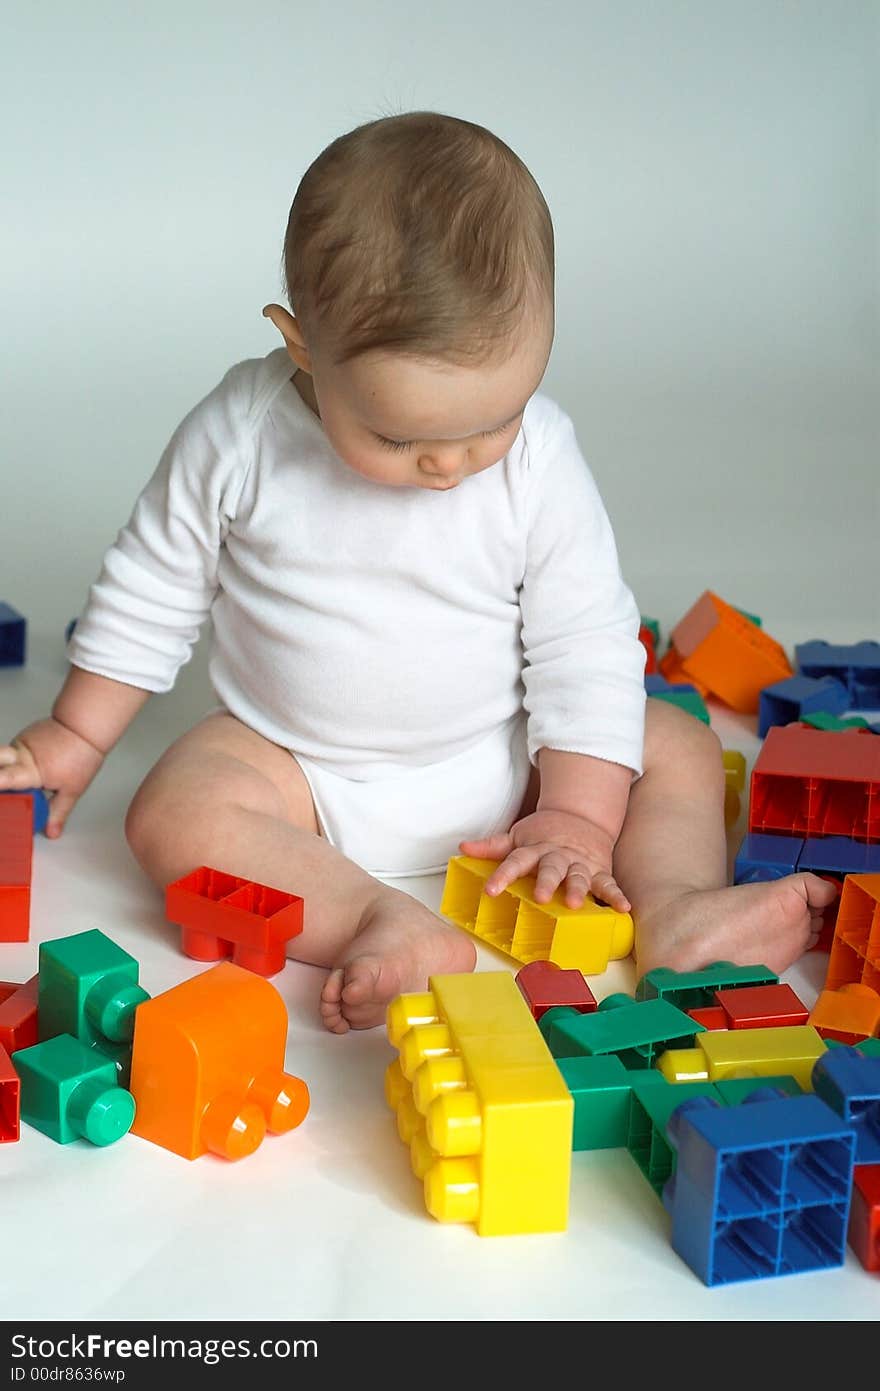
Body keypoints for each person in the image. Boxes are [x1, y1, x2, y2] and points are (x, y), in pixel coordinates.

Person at [0, 112, 836, 1032]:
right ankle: (375, 915)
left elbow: (584, 639)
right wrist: (76, 736)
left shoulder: (541, 459)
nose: (454, 464)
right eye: (400, 436)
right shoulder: (240, 434)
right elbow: (153, 586)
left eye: (496, 419)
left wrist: (578, 818)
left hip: (510, 756)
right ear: (301, 344)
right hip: (297, 771)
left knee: (664, 741)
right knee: (171, 809)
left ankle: (673, 908)